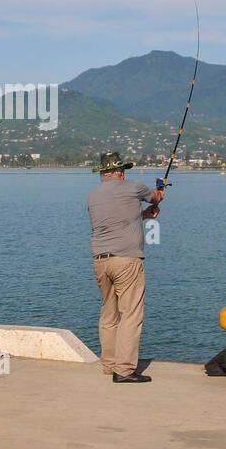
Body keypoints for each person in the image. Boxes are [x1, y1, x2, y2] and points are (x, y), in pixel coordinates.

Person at [87, 151, 163, 384]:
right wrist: (160, 192)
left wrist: (141, 217)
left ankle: (109, 365)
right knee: (130, 314)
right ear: (121, 172)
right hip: (127, 260)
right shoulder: (134, 186)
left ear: (102, 173)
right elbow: (155, 197)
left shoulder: (93, 196)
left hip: (100, 260)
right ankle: (125, 370)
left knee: (108, 313)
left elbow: (115, 223)